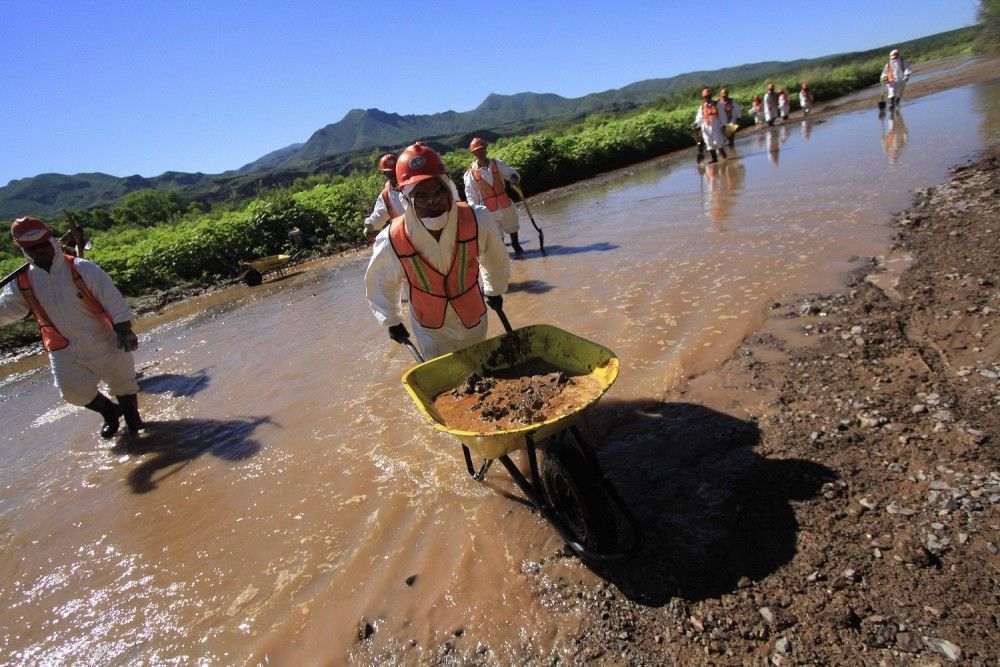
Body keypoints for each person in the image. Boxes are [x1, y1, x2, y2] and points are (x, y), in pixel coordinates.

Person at [0, 217, 143, 438]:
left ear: (51, 239)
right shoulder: (20, 282)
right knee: (72, 392)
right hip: (62, 346)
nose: (39, 251)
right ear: (22, 248)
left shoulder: (80, 267)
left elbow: (111, 298)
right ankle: (110, 412)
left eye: (42, 244)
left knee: (123, 382)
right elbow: (10, 309)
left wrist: (124, 329)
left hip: (102, 337)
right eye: (32, 248)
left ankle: (134, 423)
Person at [365, 143, 510, 360]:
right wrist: (392, 321)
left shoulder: (477, 219)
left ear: (447, 187)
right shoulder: (391, 239)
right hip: (430, 329)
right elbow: (381, 282)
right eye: (422, 196)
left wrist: (494, 289)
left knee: (480, 365)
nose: (433, 202)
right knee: (444, 375)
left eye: (438, 192)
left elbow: (495, 259)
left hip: (473, 317)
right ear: (406, 197)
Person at [463, 137, 524, 257]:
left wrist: (514, 178)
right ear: (473, 153)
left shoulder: (497, 164)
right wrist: (475, 211)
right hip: (488, 210)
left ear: (486, 149)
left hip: (505, 204)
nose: (481, 152)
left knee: (513, 230)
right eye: (477, 151)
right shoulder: (470, 173)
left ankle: (517, 250)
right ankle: (506, 259)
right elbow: (470, 194)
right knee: (498, 239)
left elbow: (510, 173)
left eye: (482, 149)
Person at [362, 153, 405, 241]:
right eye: (389, 173)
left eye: (394, 171)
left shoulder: (412, 184)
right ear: (384, 173)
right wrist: (369, 227)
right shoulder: (386, 196)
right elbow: (379, 215)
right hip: (407, 237)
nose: (393, 175)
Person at [694, 88, 727, 163]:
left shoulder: (717, 104)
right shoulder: (702, 107)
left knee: (719, 142)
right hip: (706, 127)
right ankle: (714, 159)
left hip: (716, 126)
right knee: (709, 143)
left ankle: (724, 157)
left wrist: (724, 125)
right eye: (705, 96)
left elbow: (722, 115)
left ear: (711, 96)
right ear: (703, 97)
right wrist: (696, 123)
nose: (707, 98)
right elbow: (699, 118)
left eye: (708, 96)